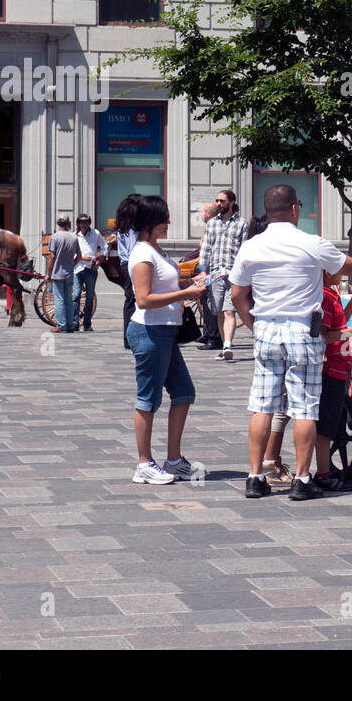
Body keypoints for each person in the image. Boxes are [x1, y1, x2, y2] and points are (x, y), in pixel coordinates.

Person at [231, 185, 352, 501]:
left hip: (267, 330)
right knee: (305, 408)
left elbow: (238, 295)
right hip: (302, 332)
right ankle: (302, 479)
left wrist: (256, 326)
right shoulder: (310, 243)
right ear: (295, 208)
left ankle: (255, 477)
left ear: (267, 210)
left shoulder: (251, 247)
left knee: (262, 406)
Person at [126, 195, 211, 485]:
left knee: (184, 393)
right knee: (148, 399)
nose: (169, 223)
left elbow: (164, 285)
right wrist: (185, 294)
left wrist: (189, 283)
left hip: (165, 331)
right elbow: (144, 298)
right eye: (164, 219)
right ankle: (144, 463)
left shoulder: (155, 250)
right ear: (151, 223)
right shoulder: (142, 254)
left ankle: (173, 460)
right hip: (149, 331)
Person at [311, 268, 352, 492]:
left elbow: (337, 321)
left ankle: (326, 468)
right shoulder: (324, 296)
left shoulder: (330, 293)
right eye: (336, 270)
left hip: (337, 368)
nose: (341, 274)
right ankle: (323, 473)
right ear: (325, 272)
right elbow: (327, 335)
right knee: (325, 425)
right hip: (330, 367)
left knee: (329, 421)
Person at [203, 189, 249, 362]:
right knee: (219, 312)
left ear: (231, 202)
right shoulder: (212, 223)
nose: (218, 204)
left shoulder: (242, 224)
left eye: (222, 201)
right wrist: (203, 269)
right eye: (217, 201)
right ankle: (225, 346)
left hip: (233, 273)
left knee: (229, 311)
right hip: (215, 273)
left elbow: (244, 249)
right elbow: (206, 247)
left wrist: (244, 271)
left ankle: (228, 344)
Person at [194, 201, 223, 350]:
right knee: (205, 301)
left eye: (202, 212)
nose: (200, 214)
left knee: (211, 303)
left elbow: (205, 246)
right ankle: (207, 333)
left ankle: (214, 337)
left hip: (213, 270)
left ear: (208, 213)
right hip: (207, 269)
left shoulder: (214, 225)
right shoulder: (211, 225)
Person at [115, 194, 141, 351]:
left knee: (130, 300)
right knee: (134, 299)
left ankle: (128, 336)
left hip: (125, 264)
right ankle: (130, 337)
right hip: (133, 264)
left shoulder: (122, 227)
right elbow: (133, 250)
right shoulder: (132, 229)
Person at [45, 216, 80, 333]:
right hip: (69, 273)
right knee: (68, 299)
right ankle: (70, 324)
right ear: (68, 223)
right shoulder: (74, 237)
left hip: (57, 273)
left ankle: (61, 325)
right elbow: (79, 256)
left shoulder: (55, 237)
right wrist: (72, 265)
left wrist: (48, 273)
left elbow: (52, 256)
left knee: (59, 299)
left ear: (58, 224)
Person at [72, 214, 105, 332]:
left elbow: (104, 247)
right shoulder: (74, 235)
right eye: (81, 222)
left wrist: (99, 261)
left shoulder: (95, 233)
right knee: (76, 295)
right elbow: (71, 251)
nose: (83, 225)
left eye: (86, 222)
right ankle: (75, 322)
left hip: (91, 269)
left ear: (89, 223)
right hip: (77, 269)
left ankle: (87, 324)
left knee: (89, 297)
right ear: (78, 224)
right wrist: (81, 258)